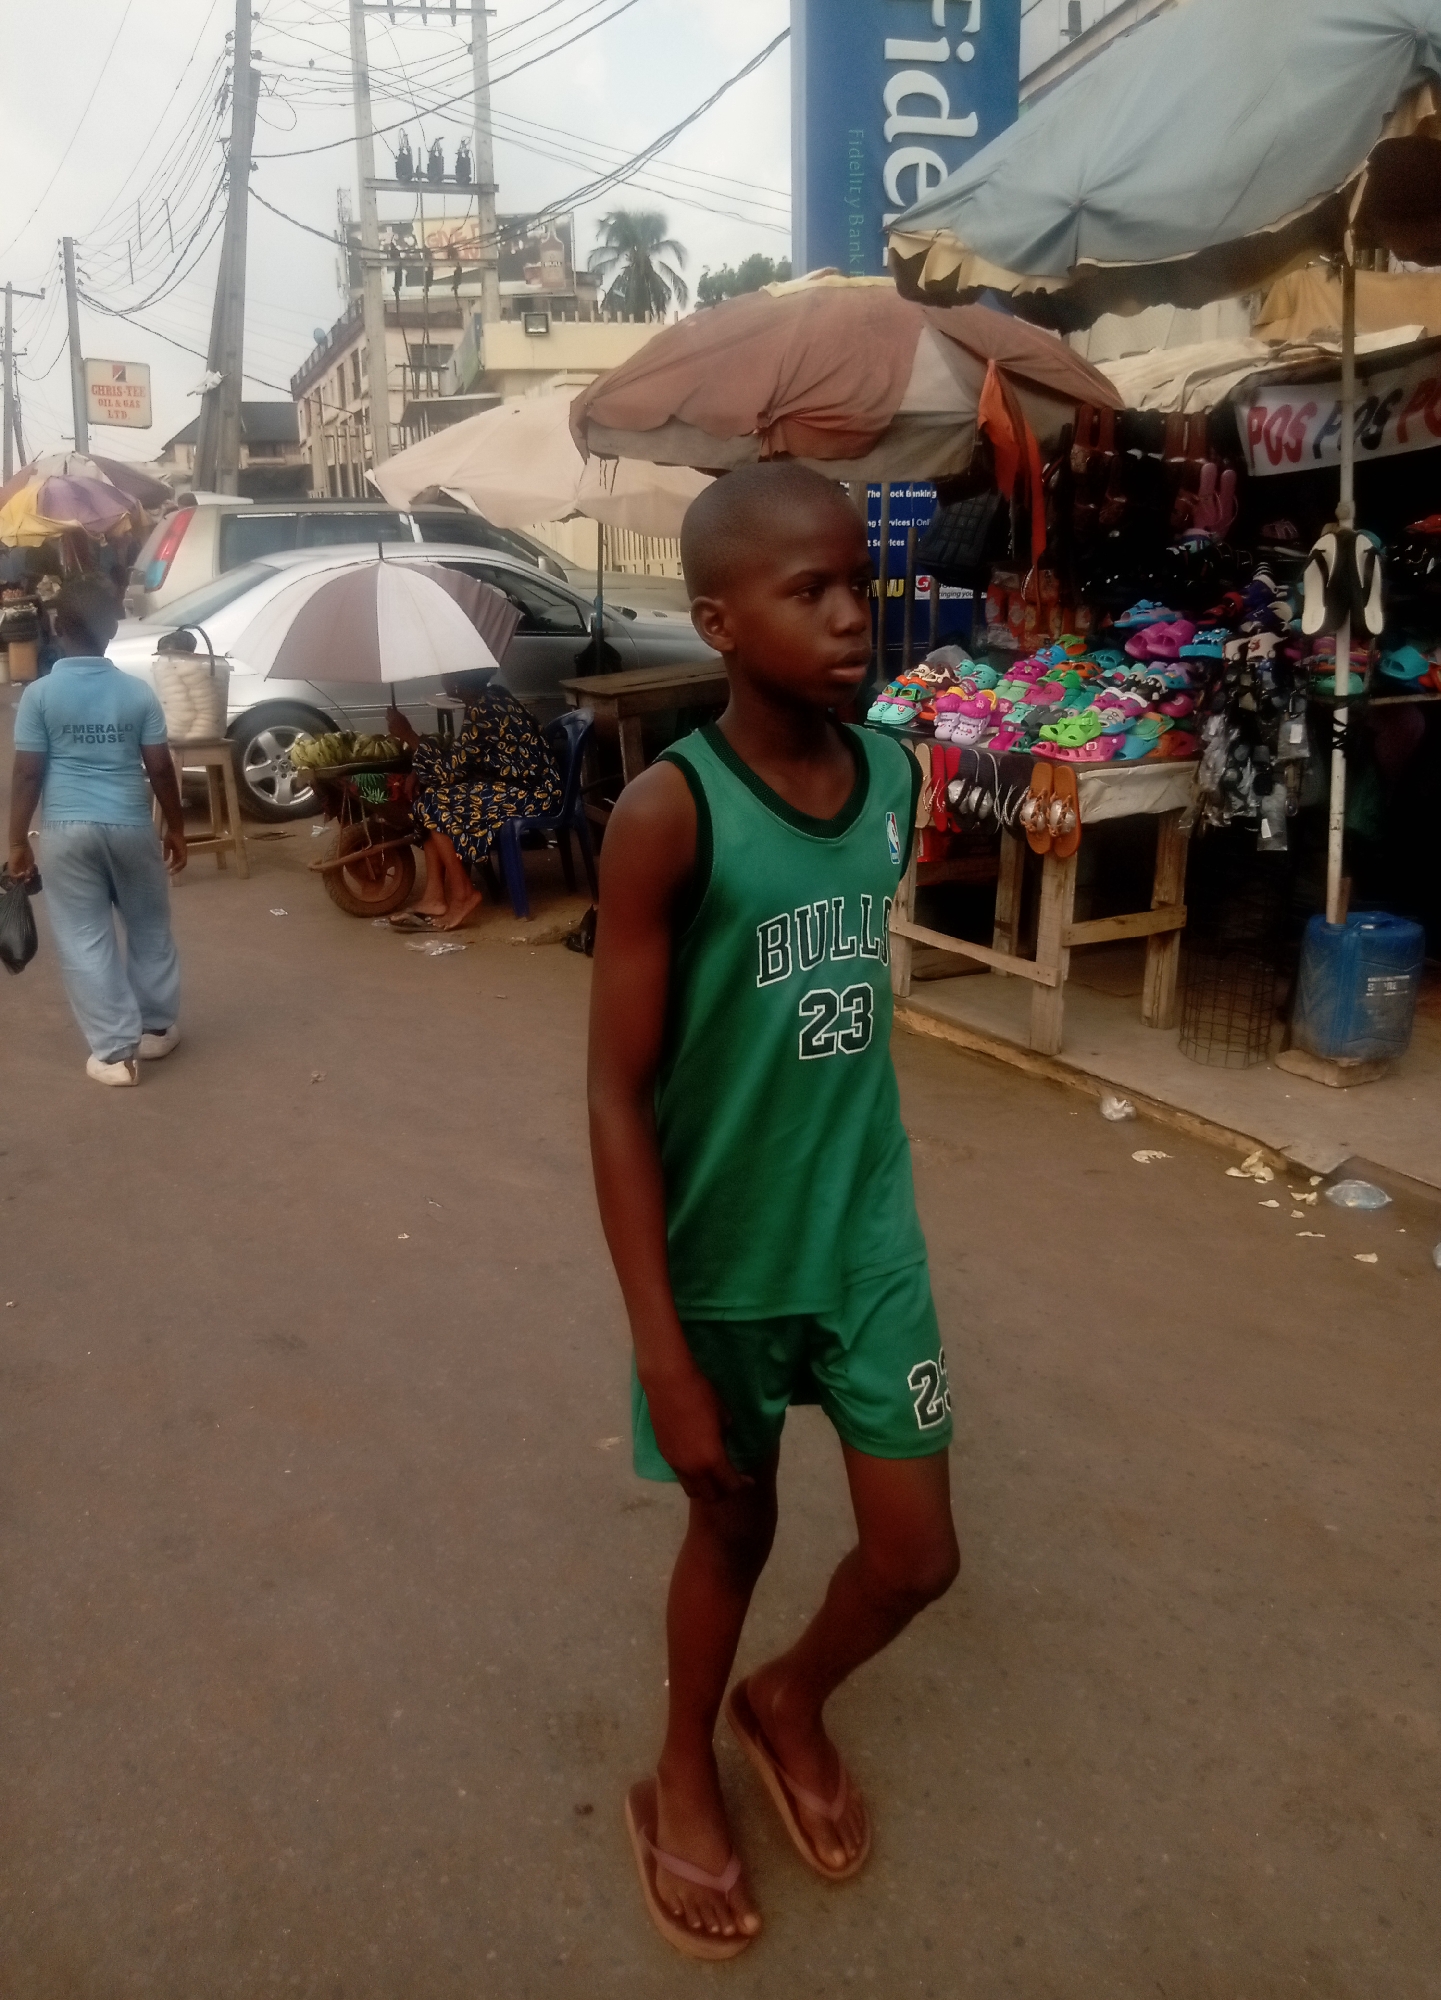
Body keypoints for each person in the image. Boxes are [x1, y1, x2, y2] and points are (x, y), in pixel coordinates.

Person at [588, 462, 959, 1960]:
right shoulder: (669, 813)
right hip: (725, 1259)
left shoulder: (896, 778)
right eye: (809, 592)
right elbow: (615, 1093)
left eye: (858, 583)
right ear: (719, 621)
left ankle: (788, 1696)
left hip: (864, 1234)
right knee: (733, 1527)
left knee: (919, 1556)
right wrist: (661, 1349)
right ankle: (683, 1761)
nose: (851, 615)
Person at [7, 573, 186, 1087]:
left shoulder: (40, 696)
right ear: (111, 631)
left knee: (84, 939)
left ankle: (114, 1056)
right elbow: (160, 768)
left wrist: (17, 841)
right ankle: (155, 1030)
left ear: (57, 628)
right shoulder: (137, 693)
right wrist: (176, 829)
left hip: (66, 832)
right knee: (149, 927)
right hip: (131, 825)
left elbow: (28, 774)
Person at [384, 671, 561, 932]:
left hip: (534, 793)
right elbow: (464, 760)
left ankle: (463, 894)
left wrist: (408, 734)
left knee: (438, 803)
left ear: (456, 682)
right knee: (430, 799)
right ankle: (434, 897)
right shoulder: (492, 696)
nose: (442, 679)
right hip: (516, 784)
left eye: (446, 675)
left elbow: (449, 770)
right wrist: (417, 770)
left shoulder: (484, 708)